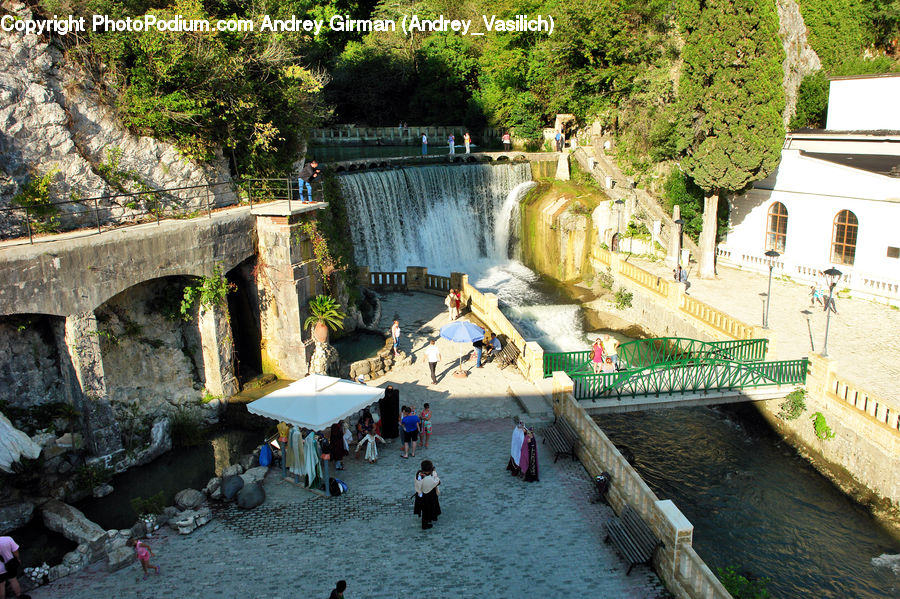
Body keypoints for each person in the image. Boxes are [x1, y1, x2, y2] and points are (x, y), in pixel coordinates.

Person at [413, 460, 441, 529]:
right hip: (429, 495)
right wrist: (434, 474)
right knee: (428, 509)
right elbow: (437, 482)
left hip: (420, 495)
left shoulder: (419, 475)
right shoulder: (429, 479)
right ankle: (425, 524)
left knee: (424, 510)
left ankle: (428, 519)